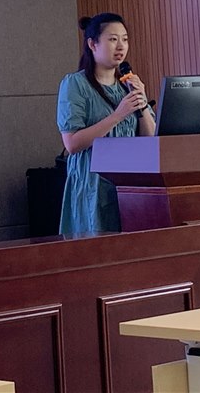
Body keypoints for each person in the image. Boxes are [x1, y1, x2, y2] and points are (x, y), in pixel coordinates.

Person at [57, 13, 155, 235]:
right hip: (93, 184)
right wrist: (118, 115)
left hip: (130, 185)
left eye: (125, 39)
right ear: (92, 44)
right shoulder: (75, 84)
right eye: (112, 39)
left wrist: (141, 103)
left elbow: (150, 140)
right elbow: (72, 143)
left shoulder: (127, 85)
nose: (121, 46)